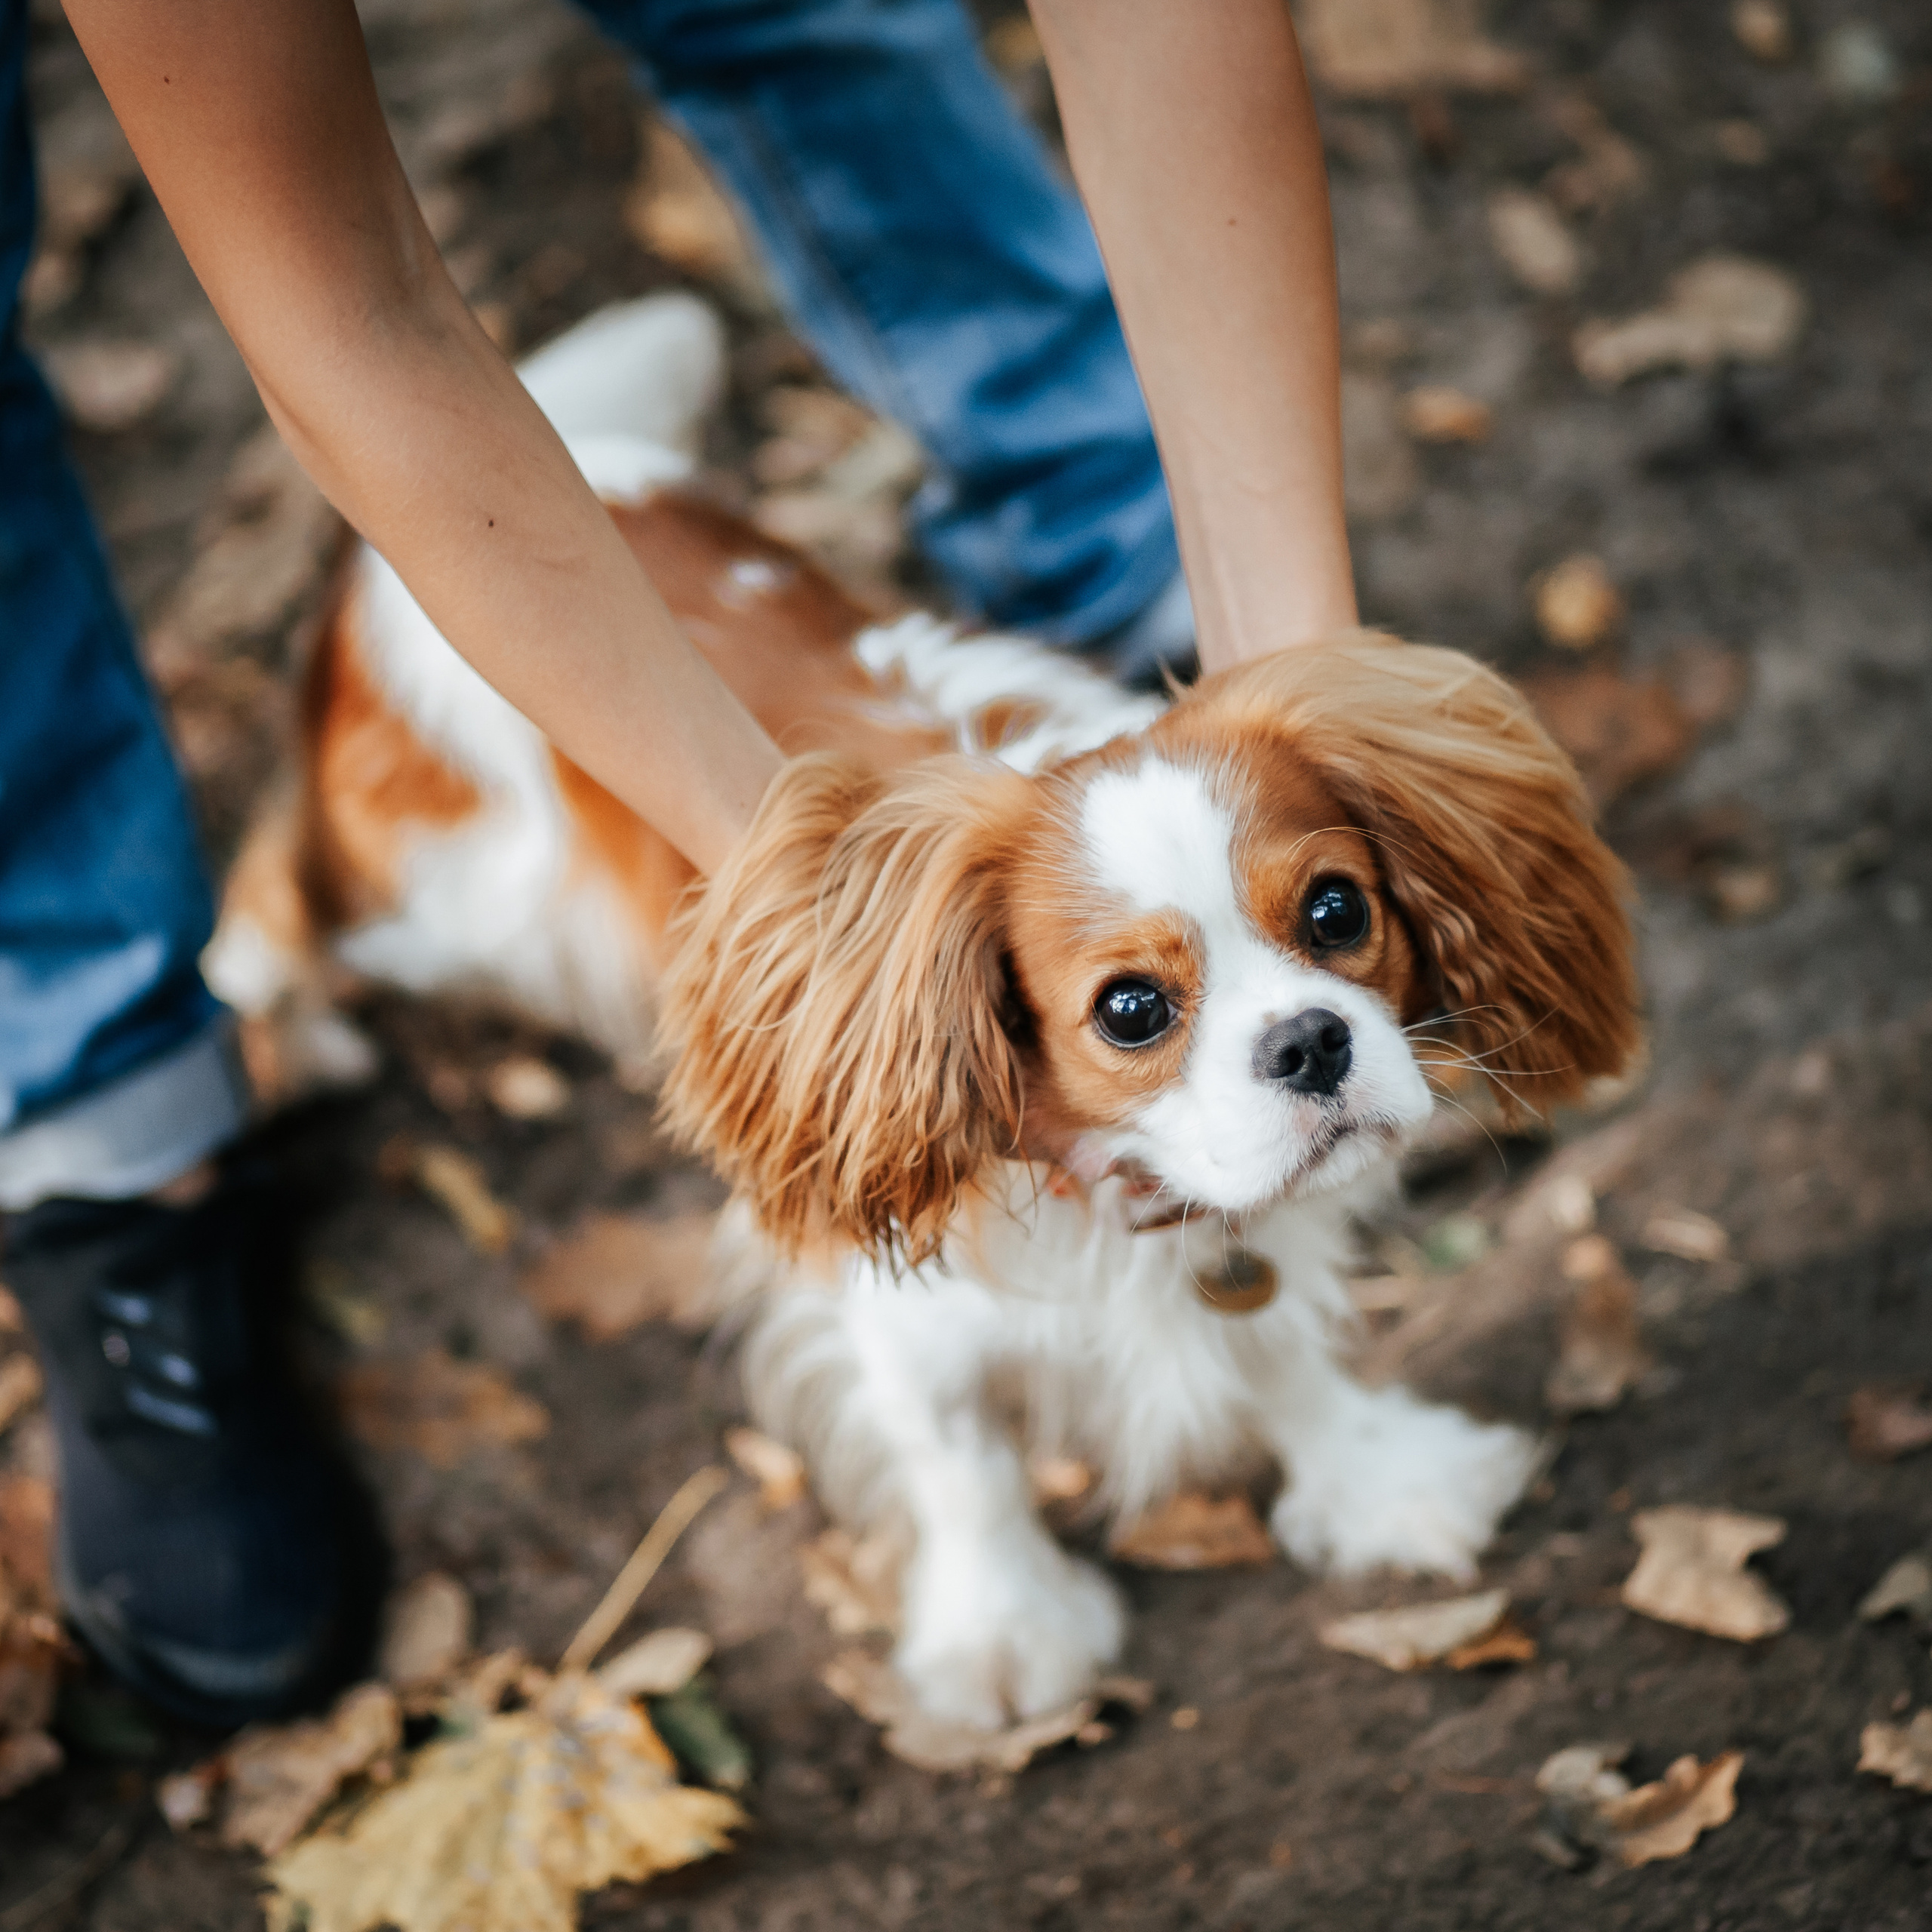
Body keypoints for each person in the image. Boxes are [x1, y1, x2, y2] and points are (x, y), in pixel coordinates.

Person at [0, 0, 1356, 1726]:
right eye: (1147, 999)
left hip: (774, 614)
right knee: (410, 916)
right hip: (464, 723)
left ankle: (1114, 554)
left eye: (1322, 921)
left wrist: (1317, 691)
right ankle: (127, 1102)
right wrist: (819, 929)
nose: (1301, 1008)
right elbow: (340, 306)